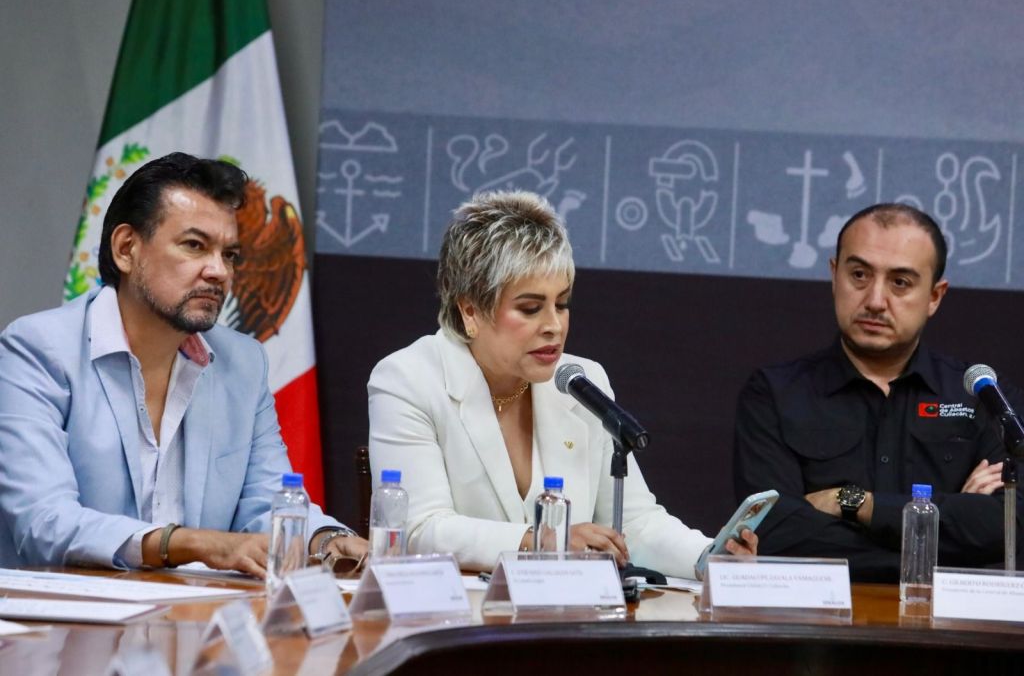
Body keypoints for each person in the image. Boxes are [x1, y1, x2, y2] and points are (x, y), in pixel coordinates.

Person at [0, 152, 367, 575]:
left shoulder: (243, 363)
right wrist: (190, 543)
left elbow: (267, 503)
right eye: (195, 246)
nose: (219, 272)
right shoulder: (39, 350)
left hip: (197, 609)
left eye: (230, 255)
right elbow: (45, 522)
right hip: (68, 613)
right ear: (126, 249)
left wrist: (327, 540)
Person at [368, 190, 755, 578]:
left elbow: (634, 524)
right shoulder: (408, 380)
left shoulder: (582, 382)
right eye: (530, 308)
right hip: (457, 611)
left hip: (566, 609)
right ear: (470, 310)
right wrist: (542, 540)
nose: (554, 325)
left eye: (562, 304)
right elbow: (419, 530)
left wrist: (706, 557)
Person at [733, 202, 1024, 582]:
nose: (874, 300)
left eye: (900, 282)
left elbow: (1009, 528)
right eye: (859, 275)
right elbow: (778, 532)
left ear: (935, 296)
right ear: (834, 275)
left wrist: (855, 504)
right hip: (816, 615)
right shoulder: (774, 394)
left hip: (941, 619)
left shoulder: (982, 396)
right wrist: (947, 525)